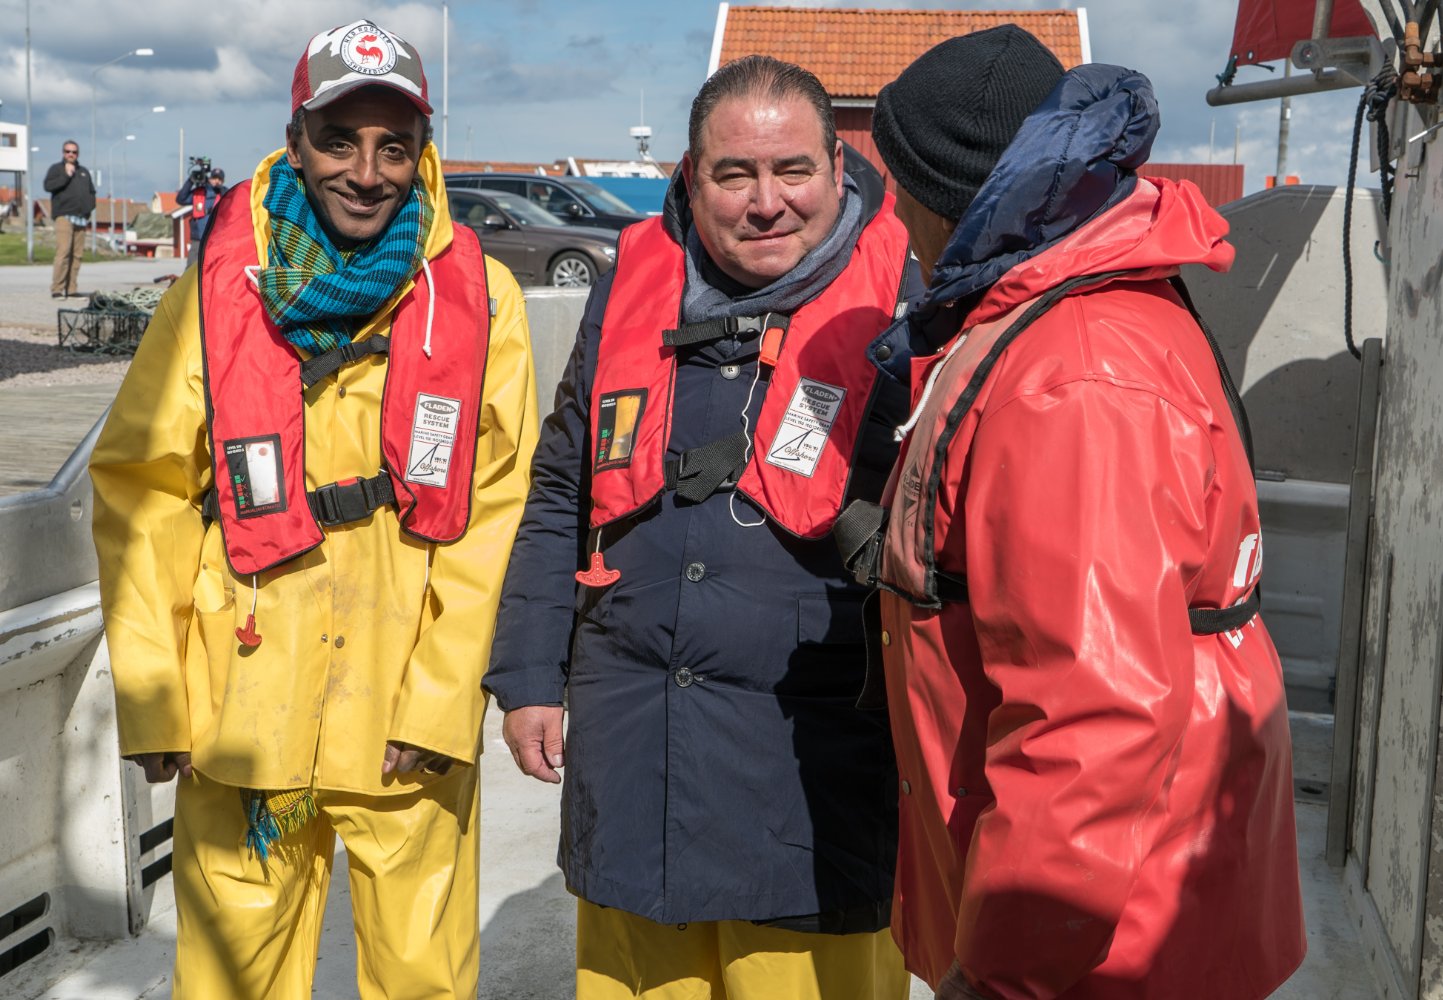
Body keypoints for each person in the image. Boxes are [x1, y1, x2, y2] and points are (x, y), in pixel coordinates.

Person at [89, 19, 536, 999]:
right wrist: (157, 698)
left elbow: (499, 515)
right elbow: (141, 490)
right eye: (339, 139)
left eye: (393, 144)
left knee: (421, 974)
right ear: (295, 141)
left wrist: (442, 696)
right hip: (248, 715)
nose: (367, 171)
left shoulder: (485, 298)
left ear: (422, 150)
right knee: (231, 972)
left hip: (405, 720)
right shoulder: (209, 294)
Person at [856, 26, 1307, 999]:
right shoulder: (1071, 317)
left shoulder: (1072, 370)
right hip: (1123, 910)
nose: (890, 212)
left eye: (899, 185)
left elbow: (1092, 709)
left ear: (951, 202)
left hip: (1102, 950)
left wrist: (1008, 971)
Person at [486, 54, 919, 1000]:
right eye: (735, 174)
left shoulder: (908, 310)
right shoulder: (628, 291)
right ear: (691, 178)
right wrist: (525, 676)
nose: (767, 202)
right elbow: (561, 488)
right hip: (633, 762)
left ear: (837, 172)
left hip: (815, 785)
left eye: (792, 170)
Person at [43, 139, 95, 298]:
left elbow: (91, 192)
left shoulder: (84, 171)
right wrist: (66, 175)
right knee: (63, 252)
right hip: (64, 216)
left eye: (74, 152)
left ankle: (71, 289)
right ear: (63, 153)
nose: (71, 154)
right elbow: (48, 186)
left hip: (81, 217)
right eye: (68, 151)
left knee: (77, 255)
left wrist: (88, 210)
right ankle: (57, 289)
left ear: (77, 154)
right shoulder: (56, 169)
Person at [176, 165, 228, 264]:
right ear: (209, 179)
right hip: (198, 239)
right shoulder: (199, 192)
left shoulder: (225, 194)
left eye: (219, 179)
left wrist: (221, 190)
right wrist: (190, 181)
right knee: (191, 269)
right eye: (214, 178)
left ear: (223, 181)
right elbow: (181, 199)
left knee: (213, 269)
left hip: (216, 240)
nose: (216, 181)